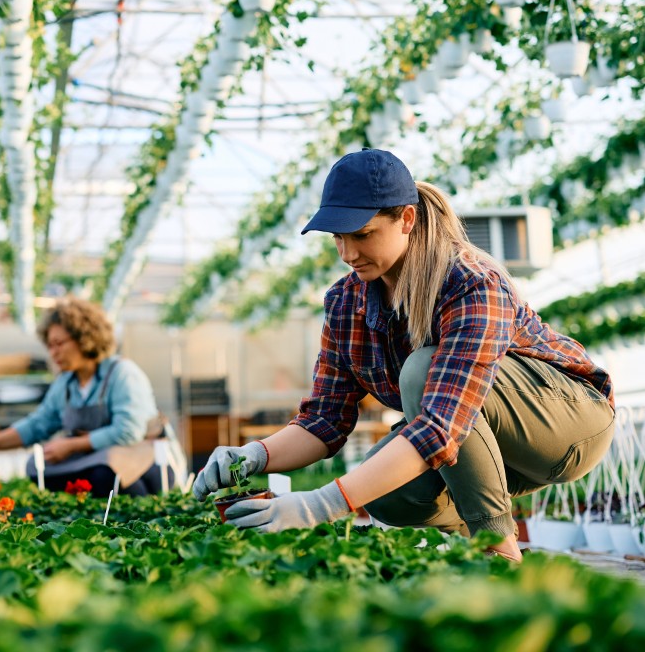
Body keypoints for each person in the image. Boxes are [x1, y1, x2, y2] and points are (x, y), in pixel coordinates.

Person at [192, 149, 615, 562]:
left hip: (567, 426)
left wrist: (317, 506)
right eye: (338, 238)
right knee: (385, 491)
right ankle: (465, 546)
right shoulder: (345, 303)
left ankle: (498, 549)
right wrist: (254, 455)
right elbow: (324, 420)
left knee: (422, 371)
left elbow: (442, 424)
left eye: (362, 234)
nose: (348, 253)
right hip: (489, 449)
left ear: (406, 219)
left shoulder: (470, 282)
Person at [0, 296, 169, 496]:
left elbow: (128, 431)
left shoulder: (122, 373)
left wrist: (72, 445)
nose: (53, 353)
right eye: (49, 346)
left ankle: (138, 512)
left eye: (59, 344)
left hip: (144, 461)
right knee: (37, 467)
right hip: (98, 460)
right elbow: (37, 424)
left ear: (84, 339)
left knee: (103, 475)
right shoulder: (66, 383)